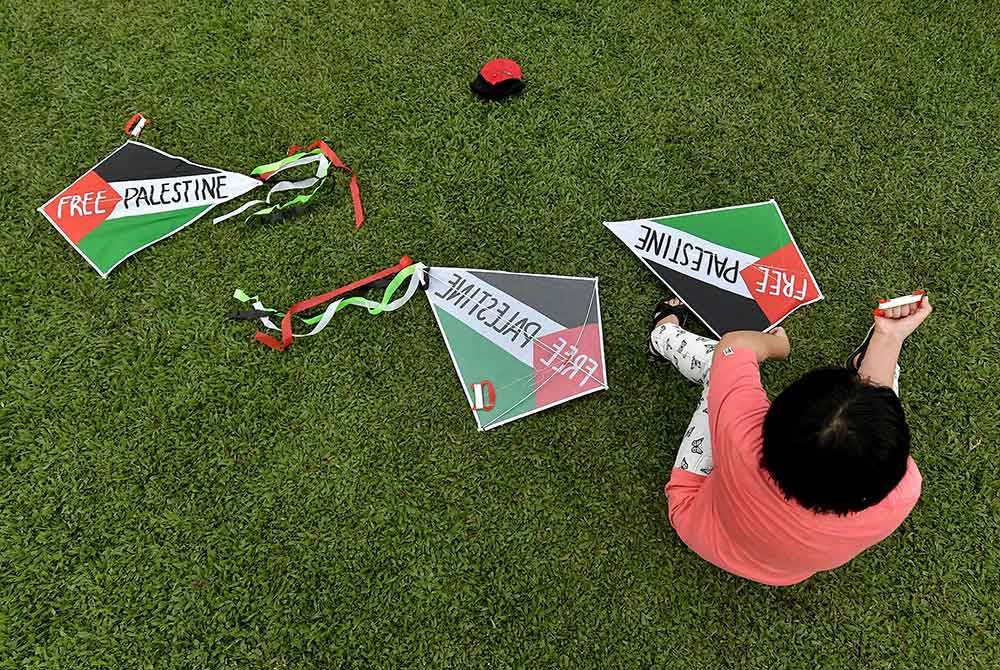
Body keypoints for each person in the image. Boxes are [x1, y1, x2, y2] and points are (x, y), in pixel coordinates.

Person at [649, 293, 932, 586]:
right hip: (780, 573)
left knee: (716, 365)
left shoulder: (741, 435)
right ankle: (874, 356)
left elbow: (733, 346)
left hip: (696, 517)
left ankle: (662, 335)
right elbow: (878, 437)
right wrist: (889, 337)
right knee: (874, 423)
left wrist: (777, 346)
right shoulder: (904, 492)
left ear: (768, 422)